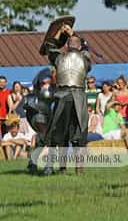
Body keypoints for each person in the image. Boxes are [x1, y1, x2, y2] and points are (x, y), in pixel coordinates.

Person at [43, 24, 91, 175]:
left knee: (73, 132)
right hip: (72, 96)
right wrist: (70, 33)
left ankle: (70, 168)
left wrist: (59, 34)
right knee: (65, 132)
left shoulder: (61, 57)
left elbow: (50, 47)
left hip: (69, 96)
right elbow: (50, 48)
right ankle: (70, 168)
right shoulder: (84, 57)